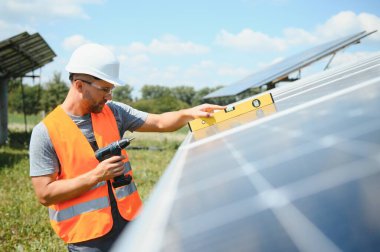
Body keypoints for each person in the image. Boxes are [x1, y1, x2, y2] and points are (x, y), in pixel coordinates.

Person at [29, 43, 225, 252]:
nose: (109, 96)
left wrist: (191, 113)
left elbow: (159, 122)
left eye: (111, 89)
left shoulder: (114, 112)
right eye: (105, 89)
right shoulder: (45, 132)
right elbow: (45, 194)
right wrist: (95, 176)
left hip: (130, 224)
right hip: (88, 239)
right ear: (79, 85)